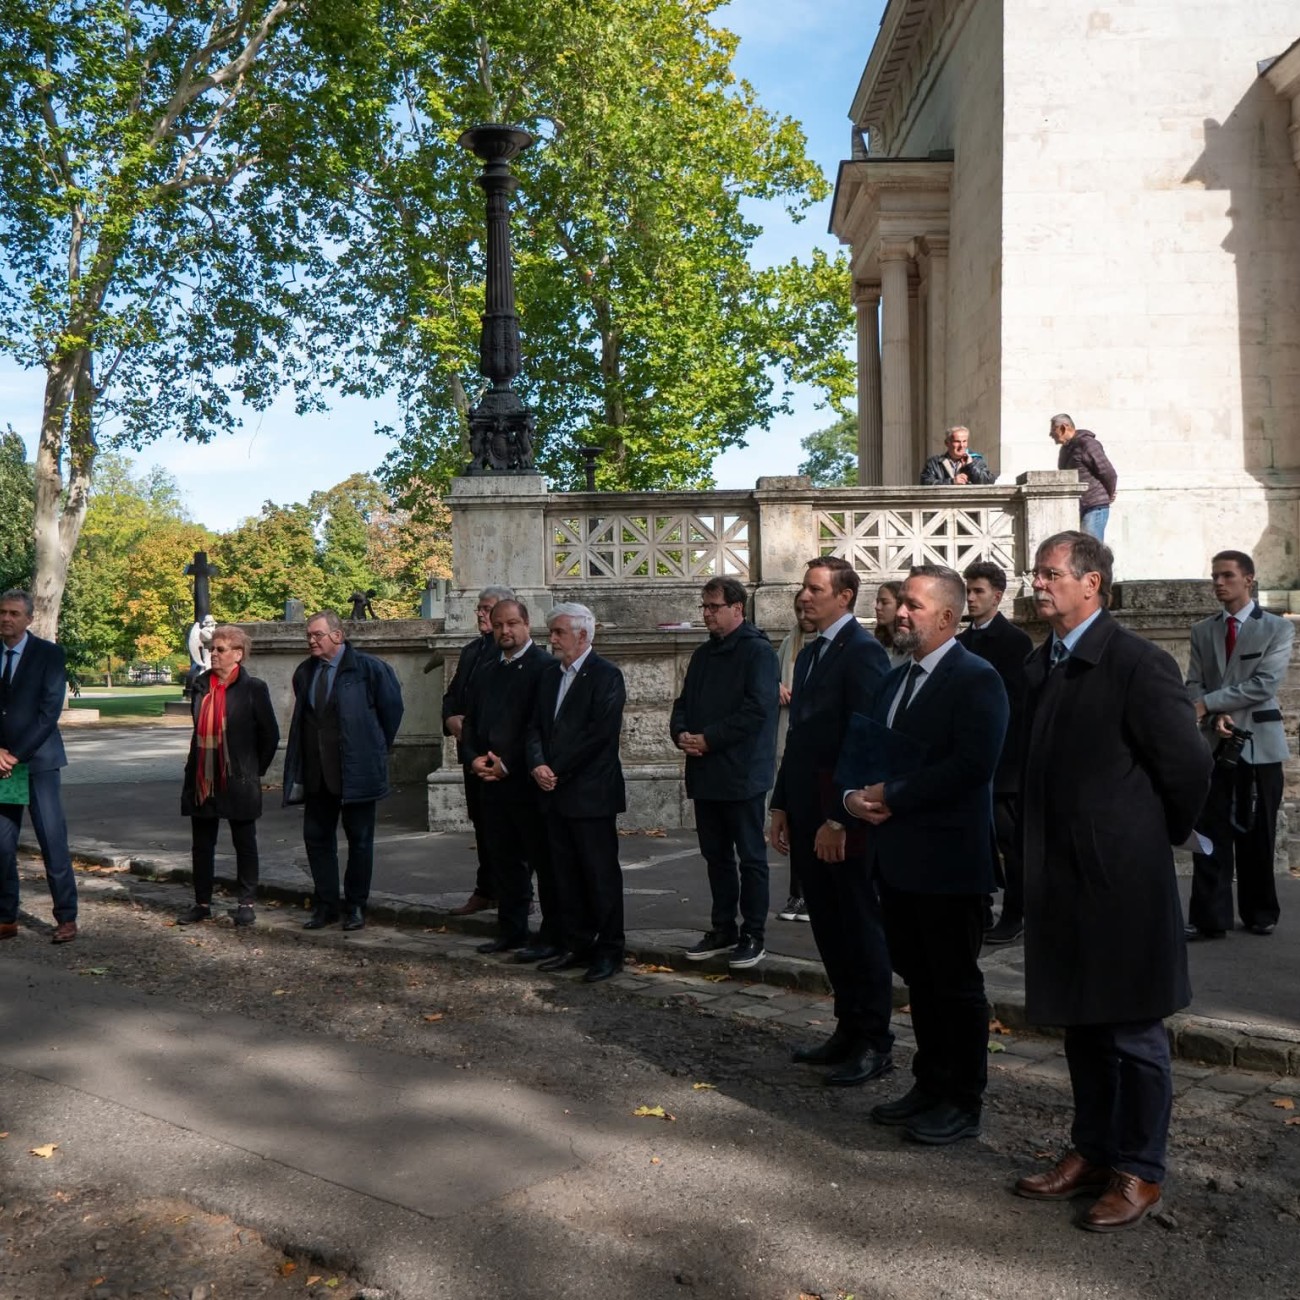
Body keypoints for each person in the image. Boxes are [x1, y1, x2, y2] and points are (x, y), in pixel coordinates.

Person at [1013, 531, 1210, 1232]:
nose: (1037, 585)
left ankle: (1140, 1171)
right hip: (1058, 880)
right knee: (1083, 1029)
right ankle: (1093, 1151)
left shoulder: (1137, 662)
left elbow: (1185, 767)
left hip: (1122, 881)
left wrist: (1146, 839)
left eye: (1050, 574)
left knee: (1133, 1033)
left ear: (1091, 582)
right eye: (1036, 574)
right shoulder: (1043, 665)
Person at [843, 565, 1008, 1144]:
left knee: (954, 986)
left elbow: (972, 767)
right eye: (901, 604)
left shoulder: (976, 678)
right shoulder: (894, 680)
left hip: (949, 863)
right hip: (897, 860)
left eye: (913, 605)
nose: (901, 613)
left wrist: (893, 795)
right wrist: (851, 797)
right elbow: (864, 755)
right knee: (920, 980)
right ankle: (928, 1084)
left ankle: (962, 1099)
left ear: (947, 616)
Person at [769, 557, 894, 1086]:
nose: (804, 596)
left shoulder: (861, 653)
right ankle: (846, 1028)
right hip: (806, 810)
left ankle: (874, 1040)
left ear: (845, 597)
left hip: (842, 820)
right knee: (828, 926)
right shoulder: (815, 651)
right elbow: (801, 738)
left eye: (815, 588)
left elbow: (866, 740)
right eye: (803, 587)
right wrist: (780, 804)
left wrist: (839, 819)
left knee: (858, 927)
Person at [672, 577, 780, 969]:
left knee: (751, 857)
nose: (706, 614)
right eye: (703, 607)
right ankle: (723, 927)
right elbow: (682, 703)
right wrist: (681, 733)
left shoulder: (758, 653)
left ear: (737, 609)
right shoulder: (703, 655)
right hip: (705, 771)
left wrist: (710, 739)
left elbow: (758, 710)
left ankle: (754, 933)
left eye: (713, 607)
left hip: (742, 772)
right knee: (715, 856)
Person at [1185, 550, 1294, 939]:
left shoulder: (1278, 630)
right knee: (1209, 832)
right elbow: (1194, 681)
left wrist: (1210, 703)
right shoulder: (1202, 630)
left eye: (1227, 575)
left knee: (1258, 831)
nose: (1218, 582)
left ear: (1249, 579)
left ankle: (1260, 912)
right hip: (1215, 743)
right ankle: (1208, 918)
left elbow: (1265, 683)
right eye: (1214, 575)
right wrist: (1213, 714)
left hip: (1260, 744)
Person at [283, 610, 404, 933]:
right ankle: (326, 905)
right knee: (317, 839)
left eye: (317, 635)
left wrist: (373, 747)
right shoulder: (305, 672)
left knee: (360, 841)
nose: (311, 640)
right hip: (317, 774)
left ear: (338, 635)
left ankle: (355, 906)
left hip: (356, 771)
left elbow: (391, 712)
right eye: (308, 635)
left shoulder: (369, 669)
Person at [527, 604, 628, 984]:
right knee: (564, 874)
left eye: (558, 632)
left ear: (583, 635)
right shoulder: (550, 677)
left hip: (590, 793)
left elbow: (599, 735)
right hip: (552, 792)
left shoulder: (606, 676)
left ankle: (610, 949)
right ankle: (576, 943)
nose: (551, 639)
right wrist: (537, 763)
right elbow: (534, 726)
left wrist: (556, 768)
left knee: (599, 876)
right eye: (551, 632)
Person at [461, 600, 561, 960]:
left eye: (513, 624)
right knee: (503, 863)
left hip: (527, 784)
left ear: (527, 624)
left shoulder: (545, 668)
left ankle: (551, 934)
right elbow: (471, 721)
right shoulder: (486, 667)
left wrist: (510, 765)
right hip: (489, 782)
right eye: (499, 624)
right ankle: (511, 930)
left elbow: (541, 728)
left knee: (543, 862)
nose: (506, 631)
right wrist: (473, 758)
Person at [177, 625, 280, 927]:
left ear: (238, 654)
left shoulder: (254, 689)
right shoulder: (200, 685)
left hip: (238, 778)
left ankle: (246, 902)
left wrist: (252, 769)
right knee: (202, 844)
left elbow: (270, 735)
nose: (214, 654)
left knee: (244, 842)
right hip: (203, 777)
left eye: (220, 650)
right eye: (212, 649)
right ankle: (202, 903)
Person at [957, 561, 1034, 944]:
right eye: (967, 591)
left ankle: (1017, 913)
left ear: (998, 596)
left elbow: (1016, 706)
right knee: (976, 840)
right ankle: (981, 908)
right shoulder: (961, 641)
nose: (970, 599)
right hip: (969, 761)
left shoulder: (1015, 642)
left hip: (1005, 763)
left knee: (1011, 844)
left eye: (978, 592)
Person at [0, 589, 77, 944]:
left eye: (14, 613)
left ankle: (65, 917)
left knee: (52, 839)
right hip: (2, 767)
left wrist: (15, 754)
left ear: (29, 618)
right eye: (2, 613)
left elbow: (49, 712)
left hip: (39, 762)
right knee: (2, 844)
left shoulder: (48, 654)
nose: (6, 619)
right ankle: (6, 916)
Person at [442, 585, 515, 915]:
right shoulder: (472, 651)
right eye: (480, 609)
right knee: (482, 824)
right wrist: (451, 719)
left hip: (501, 757)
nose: (481, 614)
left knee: (509, 828)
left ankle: (514, 894)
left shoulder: (512, 653)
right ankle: (486, 888)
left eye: (487, 608)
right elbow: (453, 694)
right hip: (471, 753)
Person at [774, 596, 815, 923]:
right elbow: (771, 675)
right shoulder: (791, 641)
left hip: (815, 743)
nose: (804, 616)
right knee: (795, 822)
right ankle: (796, 893)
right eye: (798, 611)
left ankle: (811, 895)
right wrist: (777, 686)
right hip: (789, 736)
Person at [1050, 414, 1117, 541]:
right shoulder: (1066, 449)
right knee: (1083, 551)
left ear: (1064, 428)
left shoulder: (1087, 444)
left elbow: (1108, 472)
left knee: (1091, 550)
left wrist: (1110, 493)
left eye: (1053, 430)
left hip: (1094, 505)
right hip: (1078, 506)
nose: (1050, 434)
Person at [919, 426, 996, 486]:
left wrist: (971, 466)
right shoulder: (934, 463)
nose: (962, 445)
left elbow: (989, 481)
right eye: (957, 442)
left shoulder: (976, 461)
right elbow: (925, 482)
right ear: (947, 443)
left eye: (964, 441)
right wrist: (952, 482)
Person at [872, 581, 910, 666]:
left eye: (884, 603)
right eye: (877, 602)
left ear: (900, 605)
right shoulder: (877, 644)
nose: (877, 607)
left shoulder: (910, 649)